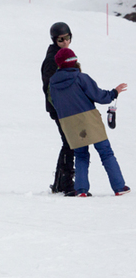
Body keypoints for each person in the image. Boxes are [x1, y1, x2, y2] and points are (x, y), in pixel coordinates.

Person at [49, 47, 130, 197]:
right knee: (106, 152)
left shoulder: (52, 83)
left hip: (69, 123)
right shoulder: (81, 77)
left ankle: (81, 190)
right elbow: (99, 96)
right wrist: (114, 92)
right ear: (74, 61)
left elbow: (54, 102)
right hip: (88, 119)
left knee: (81, 155)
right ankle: (119, 187)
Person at [41, 22, 75, 196]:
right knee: (70, 143)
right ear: (54, 40)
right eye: (61, 39)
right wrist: (60, 108)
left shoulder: (63, 55)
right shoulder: (52, 59)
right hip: (59, 109)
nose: (65, 42)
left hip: (66, 107)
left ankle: (62, 182)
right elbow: (49, 87)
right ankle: (65, 183)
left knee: (69, 143)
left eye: (67, 38)